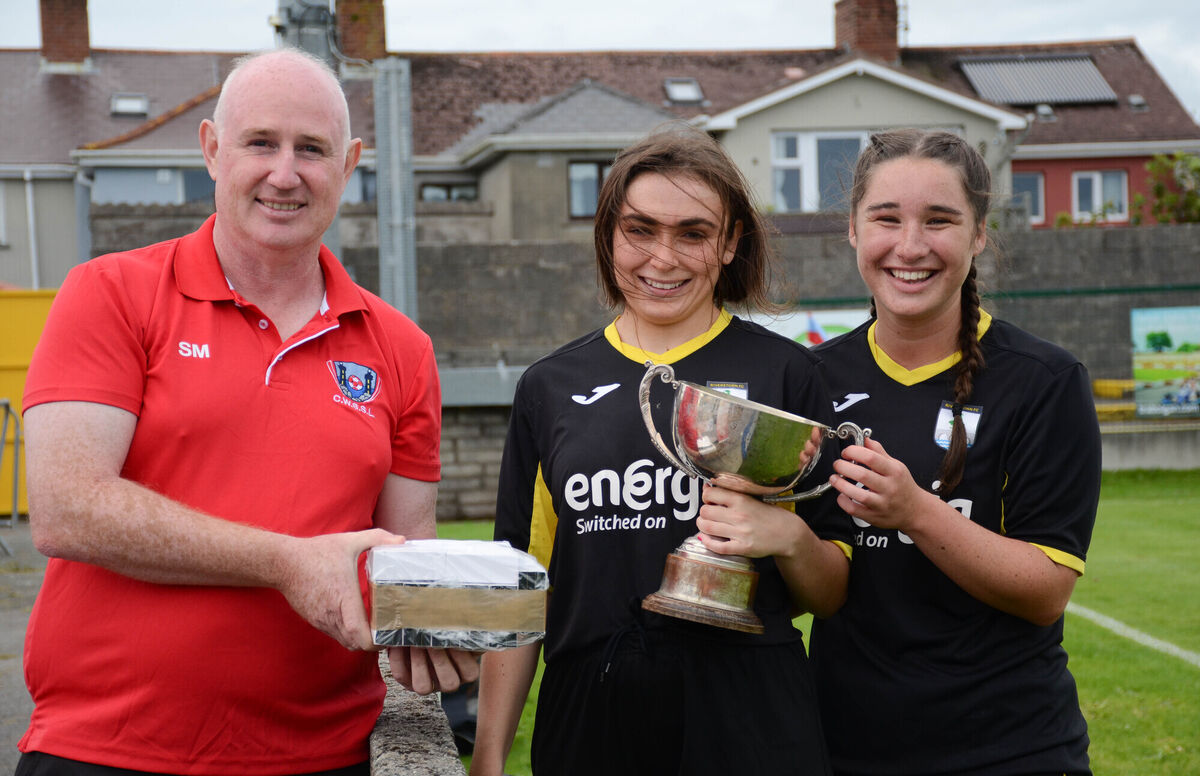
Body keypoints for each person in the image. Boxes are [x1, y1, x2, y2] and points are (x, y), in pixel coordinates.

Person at [17, 49, 476, 776]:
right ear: (211, 149)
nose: (285, 174)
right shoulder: (110, 294)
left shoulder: (401, 348)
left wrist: (444, 635)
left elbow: (400, 561)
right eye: (261, 143)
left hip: (322, 758)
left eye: (312, 150)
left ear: (350, 162)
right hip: (106, 751)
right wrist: (286, 562)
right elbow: (67, 508)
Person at [470, 125, 851, 776]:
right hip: (591, 718)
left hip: (749, 717)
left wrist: (785, 535)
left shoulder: (788, 375)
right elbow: (519, 593)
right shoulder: (549, 387)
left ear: (731, 242)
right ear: (609, 234)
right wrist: (487, 757)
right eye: (640, 229)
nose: (663, 258)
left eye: (694, 232)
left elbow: (833, 591)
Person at [809, 128, 1101, 775]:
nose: (911, 246)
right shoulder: (813, 382)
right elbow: (817, 585)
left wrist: (914, 508)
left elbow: (1046, 590)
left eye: (939, 221)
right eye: (886, 219)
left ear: (978, 235)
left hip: (1009, 749)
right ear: (854, 230)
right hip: (844, 747)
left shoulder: (1044, 380)